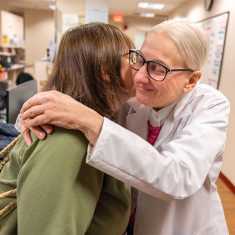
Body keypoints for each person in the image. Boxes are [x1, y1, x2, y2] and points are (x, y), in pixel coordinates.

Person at [19, 18, 230, 235]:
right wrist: (34, 113)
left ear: (191, 81)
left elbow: (178, 176)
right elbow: (80, 98)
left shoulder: (210, 106)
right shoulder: (132, 98)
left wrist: (90, 120)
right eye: (139, 59)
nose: (140, 75)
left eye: (157, 69)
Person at [0, 22, 136, 235]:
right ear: (106, 70)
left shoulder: (94, 127)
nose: (140, 66)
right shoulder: (68, 141)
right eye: (132, 57)